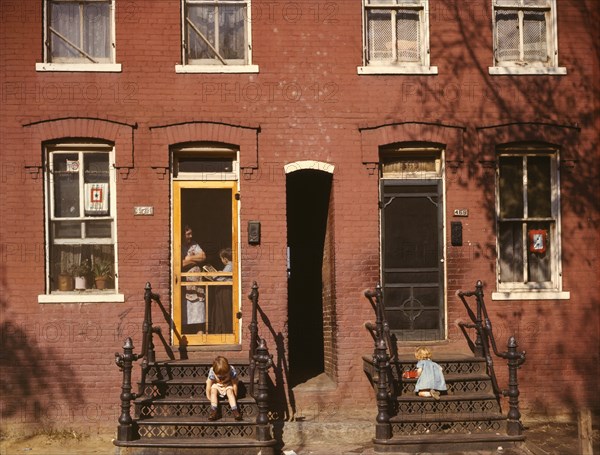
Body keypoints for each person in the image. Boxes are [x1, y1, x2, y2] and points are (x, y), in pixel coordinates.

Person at [182, 225, 206, 333]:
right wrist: (194, 260)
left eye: (191, 233)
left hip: (196, 282)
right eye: (188, 234)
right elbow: (180, 263)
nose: (191, 236)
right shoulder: (178, 245)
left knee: (198, 304)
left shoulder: (194, 244)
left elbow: (203, 257)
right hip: (185, 283)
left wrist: (189, 258)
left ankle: (199, 332)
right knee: (186, 306)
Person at [206, 356, 242, 421]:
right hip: (217, 385)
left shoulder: (231, 370)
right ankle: (213, 411)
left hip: (227, 385)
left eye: (224, 376)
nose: (221, 378)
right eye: (219, 376)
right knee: (213, 390)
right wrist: (209, 396)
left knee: (230, 392)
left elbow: (234, 384)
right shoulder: (212, 371)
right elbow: (209, 384)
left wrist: (235, 395)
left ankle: (235, 411)